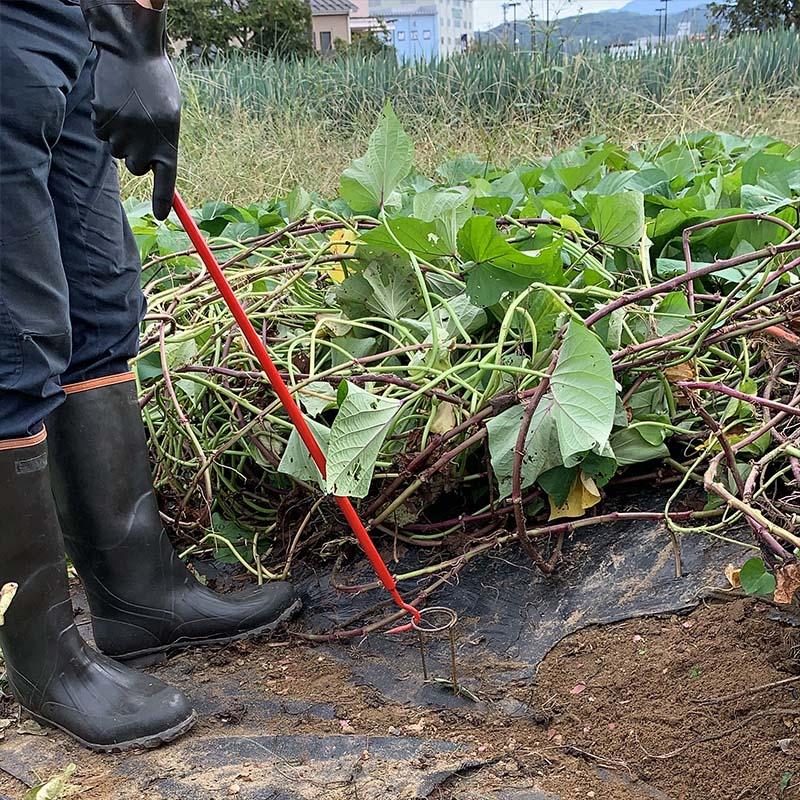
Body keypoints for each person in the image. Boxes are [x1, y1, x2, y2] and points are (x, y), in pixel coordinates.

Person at [0, 0, 300, 752]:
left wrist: (135, 32)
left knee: (101, 309)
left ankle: (140, 598)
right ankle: (43, 660)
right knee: (16, 340)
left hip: (63, 24)